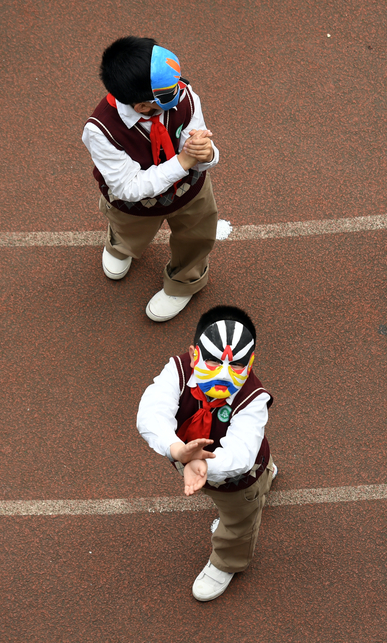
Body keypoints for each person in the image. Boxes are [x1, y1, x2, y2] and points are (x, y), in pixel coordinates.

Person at [137, 305, 276, 600]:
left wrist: (199, 464)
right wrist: (178, 450)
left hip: (237, 478)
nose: (225, 375)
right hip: (194, 460)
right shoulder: (177, 368)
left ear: (250, 362)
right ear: (194, 353)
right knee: (260, 466)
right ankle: (270, 473)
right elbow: (151, 414)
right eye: (213, 362)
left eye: (237, 365)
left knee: (239, 519)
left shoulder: (253, 398)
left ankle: (228, 561)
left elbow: (240, 456)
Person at [83, 36, 220, 322]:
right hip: (133, 205)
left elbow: (197, 141)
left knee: (197, 237)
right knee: (127, 228)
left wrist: (206, 153)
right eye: (169, 94)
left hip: (191, 192)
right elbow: (128, 187)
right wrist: (184, 161)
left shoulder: (184, 96)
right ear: (143, 107)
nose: (180, 93)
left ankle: (184, 282)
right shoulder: (100, 131)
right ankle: (121, 246)